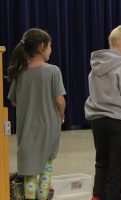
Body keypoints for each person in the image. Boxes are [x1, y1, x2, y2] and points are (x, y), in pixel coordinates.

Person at [7, 28, 66, 200]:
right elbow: (60, 101)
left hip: (27, 130)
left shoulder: (19, 72)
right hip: (48, 128)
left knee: (29, 173)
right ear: (42, 46)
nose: (51, 50)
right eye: (50, 46)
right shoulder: (53, 71)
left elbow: (14, 101)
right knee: (46, 168)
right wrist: (61, 115)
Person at [84, 24, 121, 200]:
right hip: (118, 122)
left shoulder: (94, 68)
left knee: (102, 162)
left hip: (97, 121)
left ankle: (97, 196)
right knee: (117, 165)